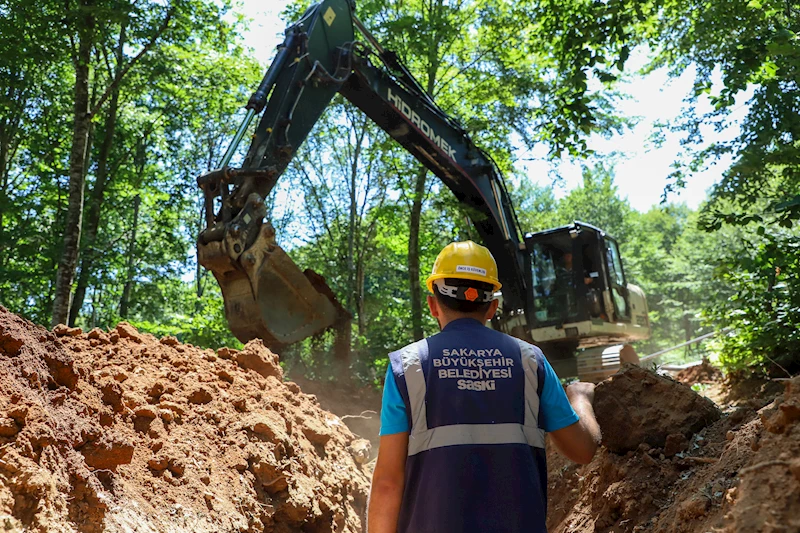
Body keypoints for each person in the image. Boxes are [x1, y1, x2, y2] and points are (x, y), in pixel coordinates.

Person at [367, 240, 601, 533]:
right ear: (492, 307)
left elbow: (387, 484)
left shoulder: (407, 367)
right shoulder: (531, 361)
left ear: (432, 304)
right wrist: (580, 399)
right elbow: (582, 450)